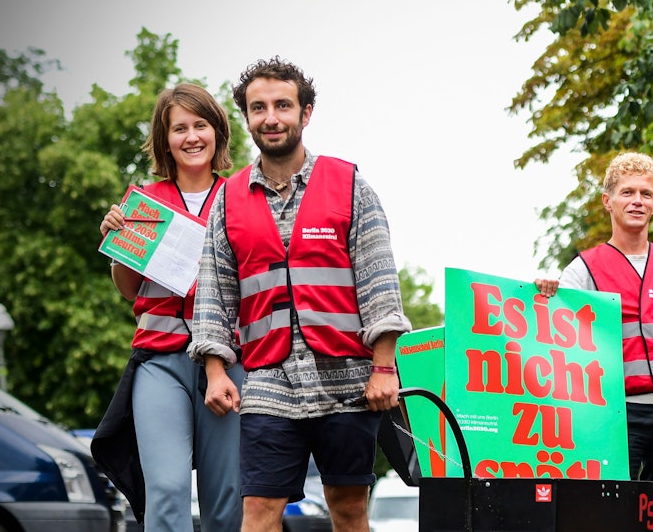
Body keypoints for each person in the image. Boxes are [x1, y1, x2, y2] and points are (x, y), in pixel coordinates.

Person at [189, 57, 413, 532]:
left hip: (348, 378)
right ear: (247, 119)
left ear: (305, 113)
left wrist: (384, 367)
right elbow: (213, 292)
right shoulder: (228, 200)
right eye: (258, 108)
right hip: (269, 380)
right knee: (258, 511)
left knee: (348, 507)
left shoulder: (350, 185)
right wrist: (214, 372)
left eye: (283, 105)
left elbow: (379, 279)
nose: (271, 117)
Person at [91, 83, 243, 532]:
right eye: (180, 128)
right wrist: (118, 246)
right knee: (167, 489)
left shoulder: (241, 198)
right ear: (165, 138)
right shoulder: (145, 200)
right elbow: (129, 289)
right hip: (160, 360)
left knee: (227, 494)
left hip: (231, 361)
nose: (192, 136)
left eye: (201, 125)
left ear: (217, 132)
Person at [535, 151, 653, 532]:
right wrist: (546, 294)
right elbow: (553, 332)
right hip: (616, 412)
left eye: (645, 193)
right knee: (610, 517)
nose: (637, 201)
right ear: (608, 201)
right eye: (628, 192)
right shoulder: (584, 267)